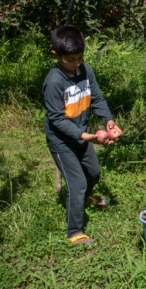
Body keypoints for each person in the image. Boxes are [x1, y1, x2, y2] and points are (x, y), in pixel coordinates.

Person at [43, 25, 122, 244]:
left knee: (94, 173)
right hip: (62, 141)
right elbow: (57, 119)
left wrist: (109, 120)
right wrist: (86, 136)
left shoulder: (86, 71)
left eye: (80, 58)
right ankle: (74, 232)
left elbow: (96, 98)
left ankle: (84, 199)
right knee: (76, 183)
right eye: (71, 60)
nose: (76, 63)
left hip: (82, 135)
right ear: (55, 55)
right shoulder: (54, 82)